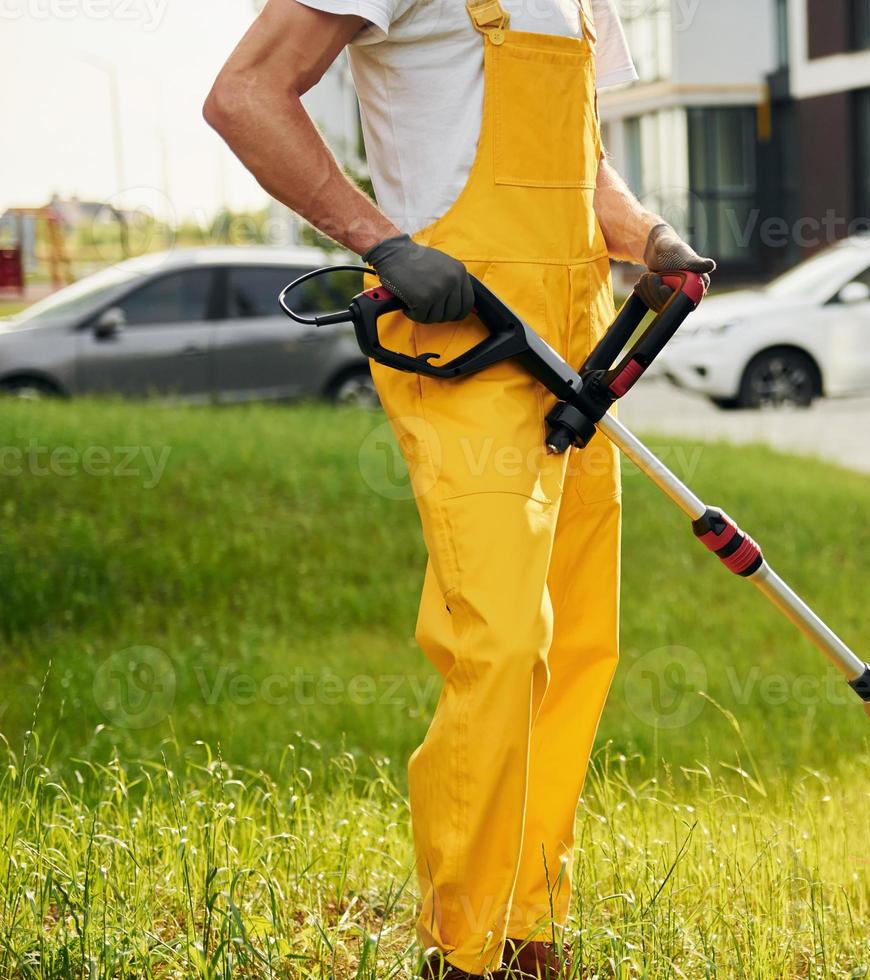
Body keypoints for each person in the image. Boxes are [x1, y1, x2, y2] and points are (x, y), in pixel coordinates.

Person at [205, 1, 714, 976]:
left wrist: (650, 238)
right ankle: (464, 947)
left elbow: (577, 163)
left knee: (578, 644)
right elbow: (244, 95)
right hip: (462, 330)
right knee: (502, 636)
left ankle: (531, 928)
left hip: (577, 333)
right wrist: (380, 240)